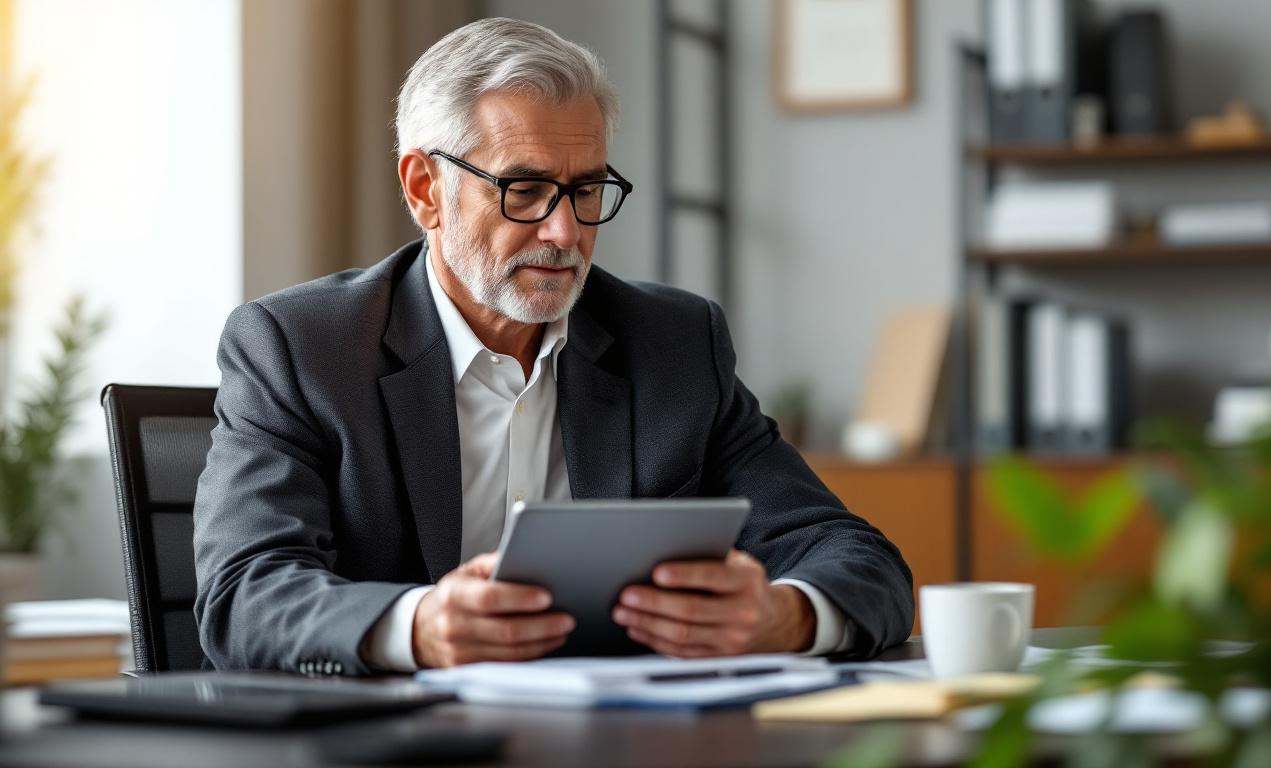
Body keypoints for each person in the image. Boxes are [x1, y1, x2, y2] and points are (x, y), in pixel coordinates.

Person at [193, 17, 913, 676]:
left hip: (624, 737)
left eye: (586, 190)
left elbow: (858, 558)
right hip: (394, 742)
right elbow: (244, 594)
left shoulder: (674, 345)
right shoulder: (302, 348)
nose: (565, 233)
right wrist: (417, 628)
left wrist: (784, 616)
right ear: (425, 190)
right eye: (525, 189)